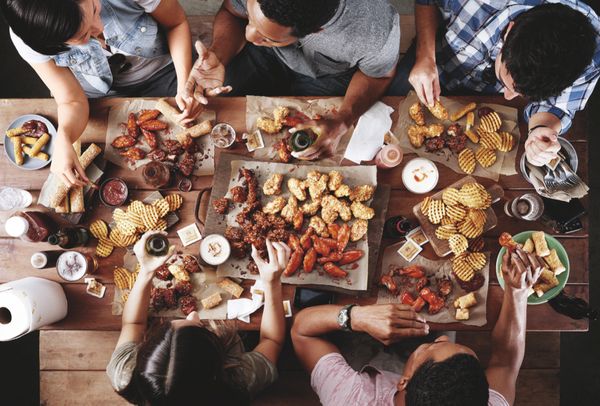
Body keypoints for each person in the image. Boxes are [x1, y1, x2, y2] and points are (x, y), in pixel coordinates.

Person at [291, 245, 543, 405]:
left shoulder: (350, 399)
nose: (441, 339)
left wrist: (357, 317)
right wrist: (518, 293)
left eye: (430, 348)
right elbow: (505, 362)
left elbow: (302, 332)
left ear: (403, 381)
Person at [0, 0, 200, 188]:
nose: (100, 27)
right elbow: (71, 100)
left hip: (163, 71)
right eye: (82, 37)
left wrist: (184, 84)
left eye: (95, 9)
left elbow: (176, 24)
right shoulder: (30, 36)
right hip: (97, 94)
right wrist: (64, 137)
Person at [388, 0, 599, 167]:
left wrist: (541, 129)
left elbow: (558, 105)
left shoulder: (589, 55)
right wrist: (425, 55)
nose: (507, 97)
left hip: (486, 97)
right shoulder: (481, 3)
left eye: (520, 93)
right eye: (506, 83)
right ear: (509, 31)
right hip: (436, 60)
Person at [182, 0, 401, 160]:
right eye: (251, 20)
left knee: (312, 151)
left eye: (267, 37)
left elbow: (379, 75)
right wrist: (219, 53)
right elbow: (232, 12)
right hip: (266, 58)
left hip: (329, 78)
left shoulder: (375, 33)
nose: (249, 36)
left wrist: (343, 119)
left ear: (316, 31)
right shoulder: (254, 33)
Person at [106, 233, 290, 404]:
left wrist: (146, 272)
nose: (194, 314)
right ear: (219, 362)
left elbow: (133, 323)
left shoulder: (124, 374)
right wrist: (272, 283)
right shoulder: (240, 380)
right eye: (199, 326)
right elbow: (272, 340)